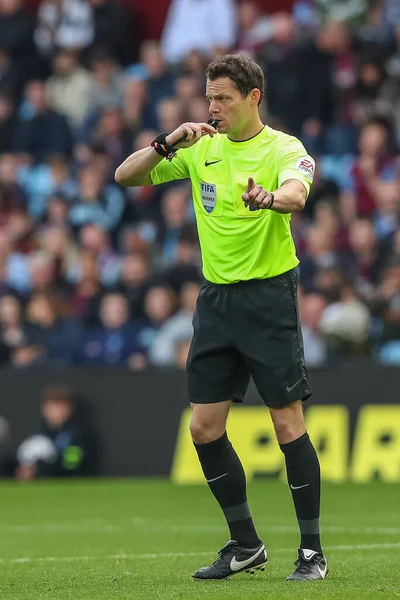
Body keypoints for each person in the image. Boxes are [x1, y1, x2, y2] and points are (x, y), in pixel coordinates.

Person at [115, 54, 327, 582]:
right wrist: (167, 142)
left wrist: (269, 198)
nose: (214, 109)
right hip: (216, 303)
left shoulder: (284, 147)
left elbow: (297, 194)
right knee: (204, 428)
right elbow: (124, 176)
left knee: (285, 423)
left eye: (224, 98)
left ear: (254, 96)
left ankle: (311, 553)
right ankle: (245, 544)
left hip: (268, 298)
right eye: (210, 98)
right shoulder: (200, 147)